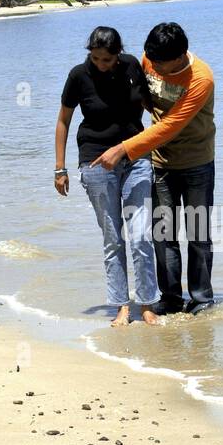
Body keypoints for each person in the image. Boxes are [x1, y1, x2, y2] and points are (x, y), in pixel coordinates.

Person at [91, 22, 216, 315]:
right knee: (163, 233)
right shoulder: (150, 58)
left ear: (181, 55)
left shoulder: (201, 78)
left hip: (196, 162)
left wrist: (123, 148)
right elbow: (144, 97)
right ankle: (170, 298)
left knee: (198, 234)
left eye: (161, 63)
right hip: (159, 162)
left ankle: (201, 299)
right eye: (152, 61)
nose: (154, 67)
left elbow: (170, 126)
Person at [55, 26, 160, 326]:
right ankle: (121, 305)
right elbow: (63, 121)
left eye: (108, 59)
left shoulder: (130, 66)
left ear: (118, 54)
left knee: (140, 235)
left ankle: (148, 303)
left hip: (135, 156)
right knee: (113, 237)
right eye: (97, 58)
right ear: (89, 52)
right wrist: (60, 168)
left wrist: (169, 133)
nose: (102, 64)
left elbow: (149, 106)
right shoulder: (78, 76)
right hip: (96, 162)